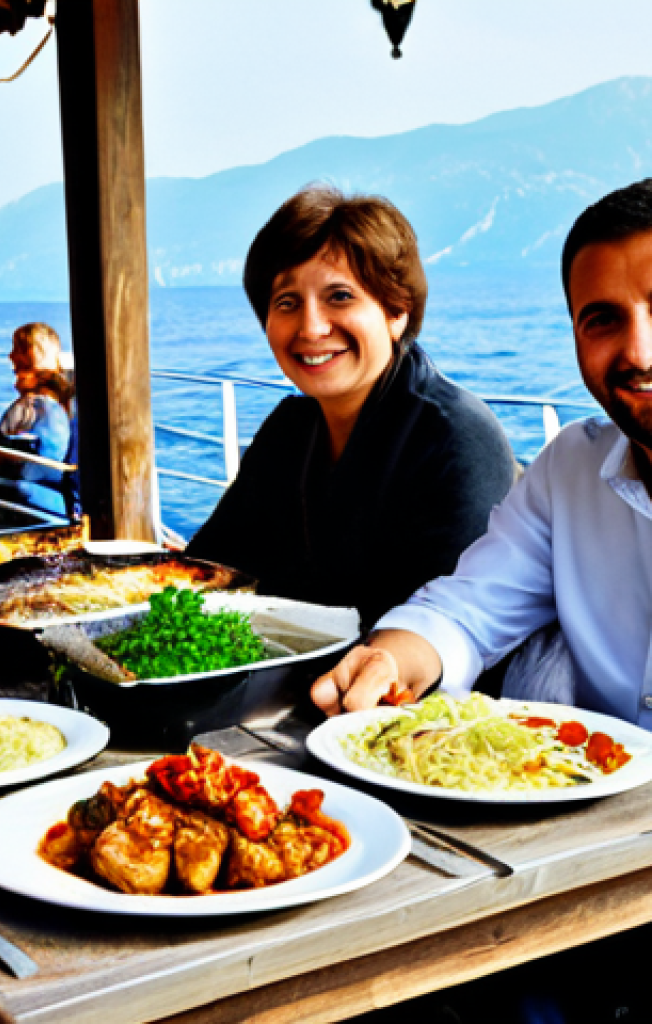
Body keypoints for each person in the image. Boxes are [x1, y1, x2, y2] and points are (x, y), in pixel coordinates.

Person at [309, 177, 652, 725]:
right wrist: (388, 659)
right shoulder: (571, 467)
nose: (639, 351)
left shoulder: (450, 428)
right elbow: (466, 613)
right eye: (603, 319)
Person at [186, 185, 516, 631]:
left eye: (339, 296)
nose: (312, 326)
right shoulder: (289, 429)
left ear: (397, 310)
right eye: (287, 302)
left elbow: (444, 629)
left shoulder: (453, 437)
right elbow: (209, 570)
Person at [0, 321, 79, 518]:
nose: (10, 356)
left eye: (16, 350)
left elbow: (37, 463)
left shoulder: (38, 403)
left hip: (59, 486)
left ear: (31, 354)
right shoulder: (66, 391)